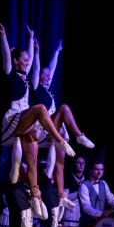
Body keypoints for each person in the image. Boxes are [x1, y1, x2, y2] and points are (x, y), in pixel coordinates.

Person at [0, 19, 75, 216]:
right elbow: (6, 55)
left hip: (24, 126)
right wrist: (3, 35)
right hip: (11, 121)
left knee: (33, 155)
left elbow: (35, 67)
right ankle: (61, 140)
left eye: (28, 59)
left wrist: (31, 39)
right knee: (39, 109)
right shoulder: (9, 72)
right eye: (24, 59)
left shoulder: (27, 79)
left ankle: (35, 194)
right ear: (16, 61)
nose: (27, 62)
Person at [33, 37, 95, 208]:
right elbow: (39, 68)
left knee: (60, 161)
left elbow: (52, 69)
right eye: (42, 74)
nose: (46, 76)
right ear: (37, 76)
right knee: (65, 108)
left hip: (53, 129)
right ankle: (80, 136)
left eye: (47, 75)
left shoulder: (46, 89)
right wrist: (36, 52)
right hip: (42, 129)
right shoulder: (35, 87)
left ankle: (61, 195)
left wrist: (57, 52)